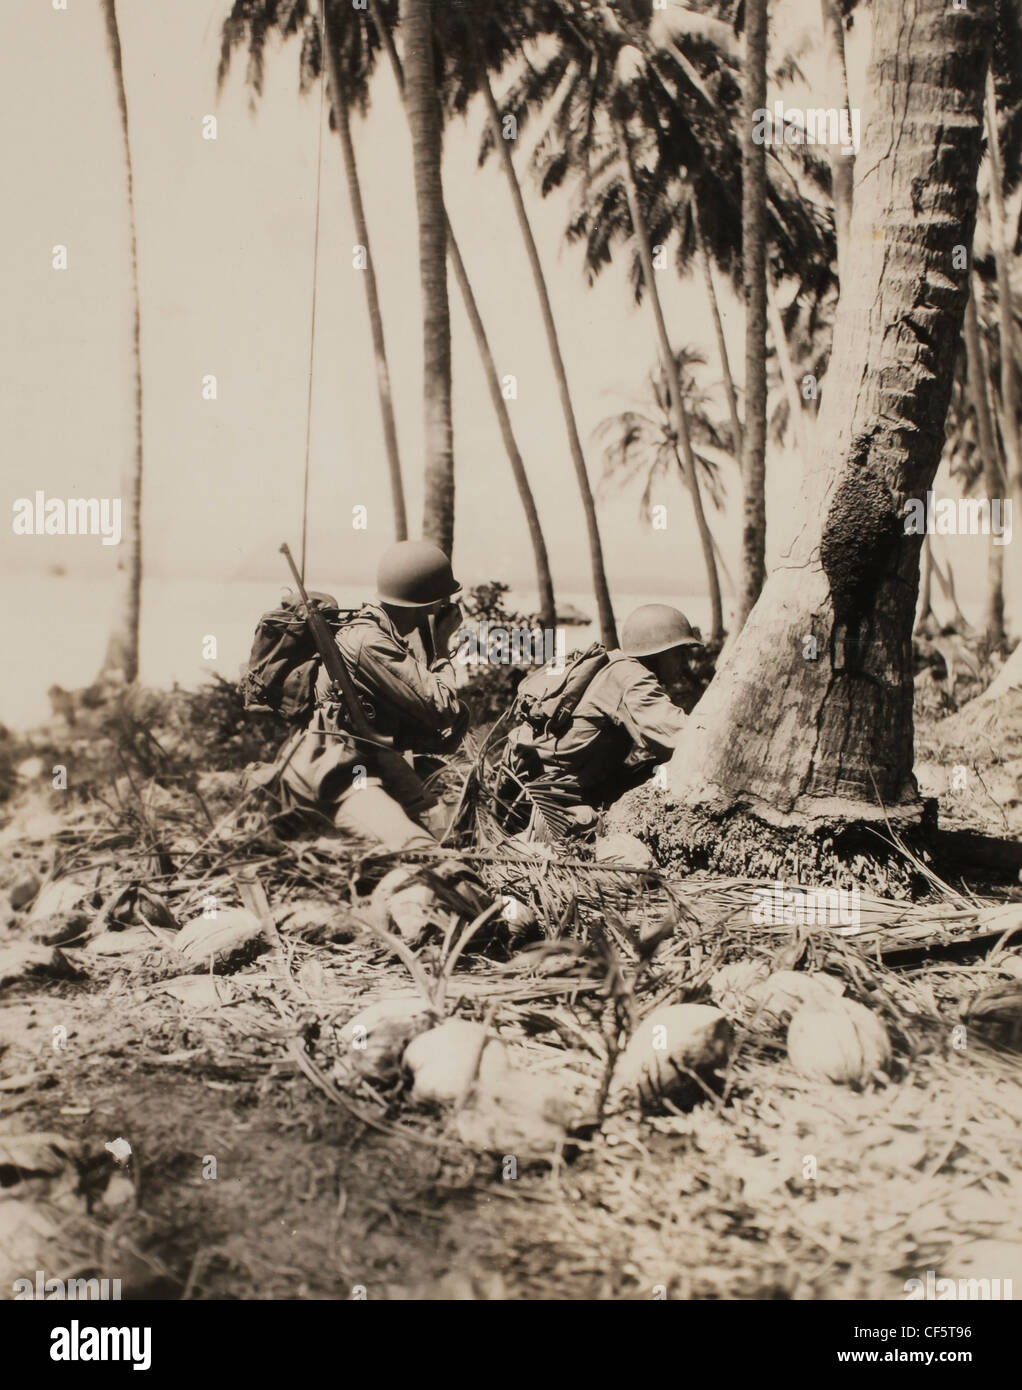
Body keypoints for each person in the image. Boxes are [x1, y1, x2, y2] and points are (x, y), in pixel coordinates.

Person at [278, 540, 469, 851]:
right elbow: (442, 707)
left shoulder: (381, 636)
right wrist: (443, 647)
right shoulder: (370, 642)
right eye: (442, 600)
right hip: (338, 779)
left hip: (364, 764)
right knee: (421, 849)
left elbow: (422, 728)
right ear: (430, 603)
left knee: (452, 830)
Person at [498, 604, 702, 838]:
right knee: (594, 820)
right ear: (658, 653)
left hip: (531, 783)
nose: (685, 662)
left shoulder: (613, 662)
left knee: (649, 771)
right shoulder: (632, 680)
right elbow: (685, 741)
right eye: (679, 653)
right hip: (544, 799)